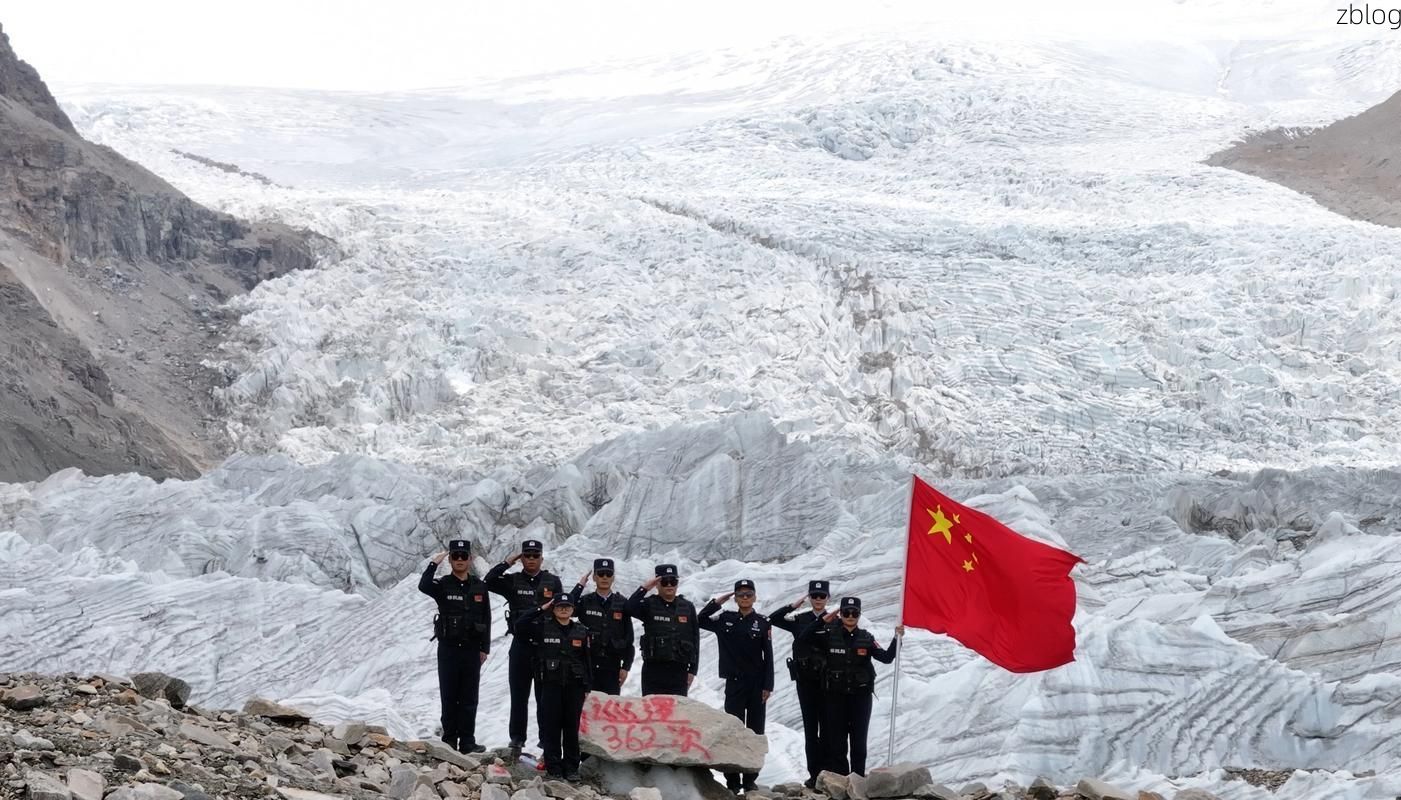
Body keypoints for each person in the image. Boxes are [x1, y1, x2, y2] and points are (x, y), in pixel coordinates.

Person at [797, 597, 903, 777]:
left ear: (859, 615)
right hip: (834, 697)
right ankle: (842, 782)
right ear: (841, 614)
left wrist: (897, 638)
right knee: (837, 743)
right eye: (846, 612)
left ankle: (858, 780)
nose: (851, 616)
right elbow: (803, 638)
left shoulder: (867, 638)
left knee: (859, 743)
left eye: (855, 613)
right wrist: (822, 621)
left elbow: (886, 658)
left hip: (860, 698)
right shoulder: (828, 634)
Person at [485, 539, 565, 756]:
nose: (531, 559)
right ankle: (517, 739)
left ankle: (545, 740)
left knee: (545, 697)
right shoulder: (513, 581)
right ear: (522, 558)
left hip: (545, 648)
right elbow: (489, 581)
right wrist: (508, 562)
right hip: (520, 645)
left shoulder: (553, 582)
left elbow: (563, 612)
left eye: (535, 555)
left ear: (541, 558)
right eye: (526, 555)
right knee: (519, 695)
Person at [700, 579, 774, 794]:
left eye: (748, 594)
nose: (744, 598)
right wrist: (717, 602)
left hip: (757, 684)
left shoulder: (762, 622)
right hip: (734, 683)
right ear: (735, 597)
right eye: (740, 594)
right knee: (732, 730)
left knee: (755, 731)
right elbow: (700, 619)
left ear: (755, 597)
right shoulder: (725, 619)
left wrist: (767, 685)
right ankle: (732, 780)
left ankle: (750, 779)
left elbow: (768, 657)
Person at [417, 539, 491, 753]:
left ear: (470, 559)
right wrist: (433, 563)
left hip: (471, 649)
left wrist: (484, 648)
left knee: (469, 697)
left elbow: (486, 616)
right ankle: (450, 740)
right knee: (449, 695)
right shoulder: (443, 585)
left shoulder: (479, 585)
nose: (459, 560)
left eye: (463, 556)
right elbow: (423, 585)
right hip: (448, 649)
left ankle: (468, 741)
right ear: (450, 560)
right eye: (455, 556)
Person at [516, 591, 592, 781]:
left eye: (567, 606)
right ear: (554, 608)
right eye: (559, 606)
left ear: (573, 609)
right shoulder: (542, 627)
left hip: (574, 687)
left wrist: (588, 686)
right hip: (550, 685)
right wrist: (540, 608)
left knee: (571, 728)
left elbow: (587, 661)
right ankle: (554, 766)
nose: (564, 609)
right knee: (551, 727)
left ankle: (572, 767)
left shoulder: (582, 631)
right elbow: (520, 625)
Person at [768, 579, 831, 788]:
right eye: (814, 596)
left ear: (828, 598)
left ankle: (827, 773)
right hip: (805, 682)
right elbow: (773, 619)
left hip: (828, 683)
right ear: (809, 598)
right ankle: (814, 775)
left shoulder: (834, 620)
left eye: (822, 596)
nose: (818, 600)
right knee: (811, 730)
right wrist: (794, 605)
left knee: (829, 729)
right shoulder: (800, 619)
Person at [625, 564, 699, 696]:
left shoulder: (688, 607)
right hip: (653, 669)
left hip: (679, 670)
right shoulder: (648, 604)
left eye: (673, 581)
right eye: (664, 582)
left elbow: (694, 639)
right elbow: (629, 608)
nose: (669, 585)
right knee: (652, 712)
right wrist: (645, 588)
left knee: (677, 712)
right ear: (657, 584)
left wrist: (692, 670)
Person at [571, 558, 634, 696]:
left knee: (610, 711)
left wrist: (626, 667)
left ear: (613, 578)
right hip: (588, 664)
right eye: (600, 574)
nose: (604, 577)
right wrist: (580, 586)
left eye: (608, 574)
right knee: (586, 710)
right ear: (594, 577)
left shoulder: (622, 603)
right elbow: (566, 607)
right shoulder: (585, 602)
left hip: (612, 666)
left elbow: (629, 637)